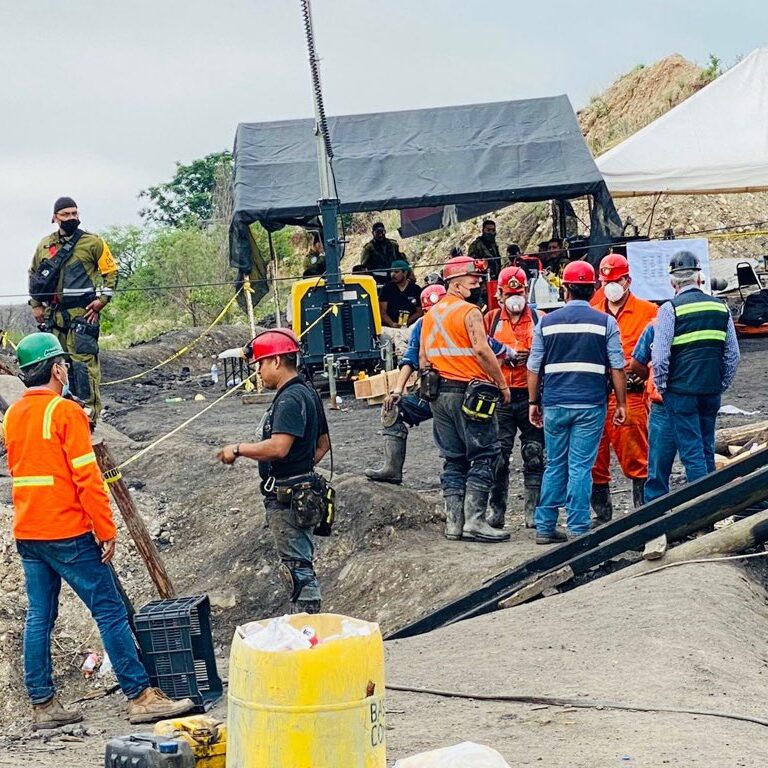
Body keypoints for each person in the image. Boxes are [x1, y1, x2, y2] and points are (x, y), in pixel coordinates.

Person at [3, 333, 194, 730]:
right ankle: (141, 696)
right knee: (108, 610)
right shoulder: (65, 413)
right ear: (56, 368)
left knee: (39, 616)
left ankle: (43, 704)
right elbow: (87, 478)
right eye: (63, 364)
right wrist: (106, 529)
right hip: (67, 531)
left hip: (29, 532)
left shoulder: (14, 415)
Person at [217, 329, 331, 613]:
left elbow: (279, 447)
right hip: (301, 491)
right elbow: (323, 445)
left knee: (297, 568)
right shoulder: (307, 392)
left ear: (277, 360)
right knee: (300, 562)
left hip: (287, 496)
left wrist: (239, 449)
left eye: (261, 364)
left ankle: (308, 626)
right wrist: (302, 467)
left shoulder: (290, 399)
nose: (258, 372)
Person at [367, 285, 516, 485]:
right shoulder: (424, 324)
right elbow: (411, 357)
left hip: (462, 391)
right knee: (393, 410)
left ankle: (475, 487)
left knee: (475, 453)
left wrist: (512, 355)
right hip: (434, 393)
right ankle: (392, 468)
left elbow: (490, 346)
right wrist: (397, 390)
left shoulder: (460, 318)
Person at [527, 261, 627, 544]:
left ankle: (545, 526)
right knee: (581, 466)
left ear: (566, 290)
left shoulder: (545, 322)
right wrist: (621, 403)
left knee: (555, 464)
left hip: (555, 404)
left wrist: (534, 402)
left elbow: (534, 367)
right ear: (594, 288)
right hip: (590, 405)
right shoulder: (606, 322)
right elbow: (617, 366)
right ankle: (578, 528)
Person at [420, 255, 511, 542]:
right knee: (485, 453)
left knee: (454, 457)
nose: (477, 282)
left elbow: (423, 358)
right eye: (473, 279)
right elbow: (483, 351)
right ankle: (474, 521)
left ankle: (454, 524)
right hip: (470, 394)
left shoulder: (430, 315)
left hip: (438, 393)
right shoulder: (470, 312)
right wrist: (501, 384)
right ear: (456, 283)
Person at [28, 197, 118, 427]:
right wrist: (36, 305)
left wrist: (102, 300)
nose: (71, 218)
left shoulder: (93, 242)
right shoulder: (45, 245)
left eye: (74, 213)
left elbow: (111, 272)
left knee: (83, 367)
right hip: (54, 315)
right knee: (56, 366)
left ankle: (89, 420)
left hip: (82, 314)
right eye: (65, 214)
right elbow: (34, 275)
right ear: (55, 217)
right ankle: (61, 417)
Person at [651, 251, 740, 485]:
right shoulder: (721, 308)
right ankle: (712, 504)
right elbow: (733, 355)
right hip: (710, 392)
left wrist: (662, 387)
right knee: (706, 448)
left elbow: (659, 358)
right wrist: (720, 384)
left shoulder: (670, 310)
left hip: (680, 393)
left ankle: (703, 511)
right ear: (699, 278)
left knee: (692, 453)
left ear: (673, 281)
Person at [589, 254, 658, 521]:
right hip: (599, 393)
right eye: (606, 281)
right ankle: (602, 517)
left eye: (615, 280)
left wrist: (646, 372)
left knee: (637, 457)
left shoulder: (648, 311)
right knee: (596, 458)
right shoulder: (594, 313)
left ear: (627, 280)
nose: (611, 286)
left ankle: (644, 516)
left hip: (632, 395)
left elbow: (660, 352)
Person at [484, 266, 545, 529]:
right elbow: (481, 349)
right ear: (499, 294)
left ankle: (533, 511)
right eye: (510, 293)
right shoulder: (490, 319)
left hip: (532, 394)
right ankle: (496, 511)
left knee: (534, 452)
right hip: (501, 397)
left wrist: (530, 356)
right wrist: (503, 358)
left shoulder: (540, 318)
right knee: (498, 455)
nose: (515, 298)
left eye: (518, 292)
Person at [630, 320, 678, 502]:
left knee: (658, 464)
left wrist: (655, 381)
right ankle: (702, 519)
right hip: (697, 399)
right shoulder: (714, 315)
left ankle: (654, 516)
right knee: (698, 459)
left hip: (663, 400)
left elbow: (637, 362)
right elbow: (730, 356)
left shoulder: (657, 323)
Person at [380, 259, 423, 328]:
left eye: (396, 272)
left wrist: (406, 322)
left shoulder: (416, 289)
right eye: (391, 272)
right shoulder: (386, 289)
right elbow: (382, 312)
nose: (393, 275)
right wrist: (392, 324)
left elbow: (419, 312)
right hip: (390, 328)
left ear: (405, 273)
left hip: (411, 328)